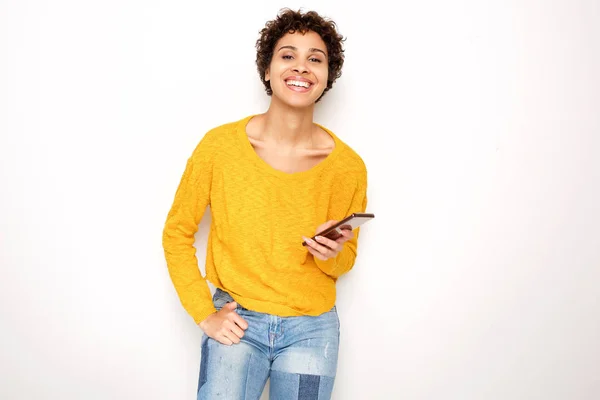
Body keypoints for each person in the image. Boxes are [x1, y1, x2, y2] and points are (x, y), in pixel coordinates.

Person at [162, 8, 369, 400]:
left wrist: (331, 253)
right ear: (268, 71)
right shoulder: (219, 147)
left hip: (313, 328)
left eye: (316, 59)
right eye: (288, 55)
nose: (302, 67)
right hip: (238, 320)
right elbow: (176, 233)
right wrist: (204, 312)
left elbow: (344, 262)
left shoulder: (348, 167)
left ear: (327, 77)